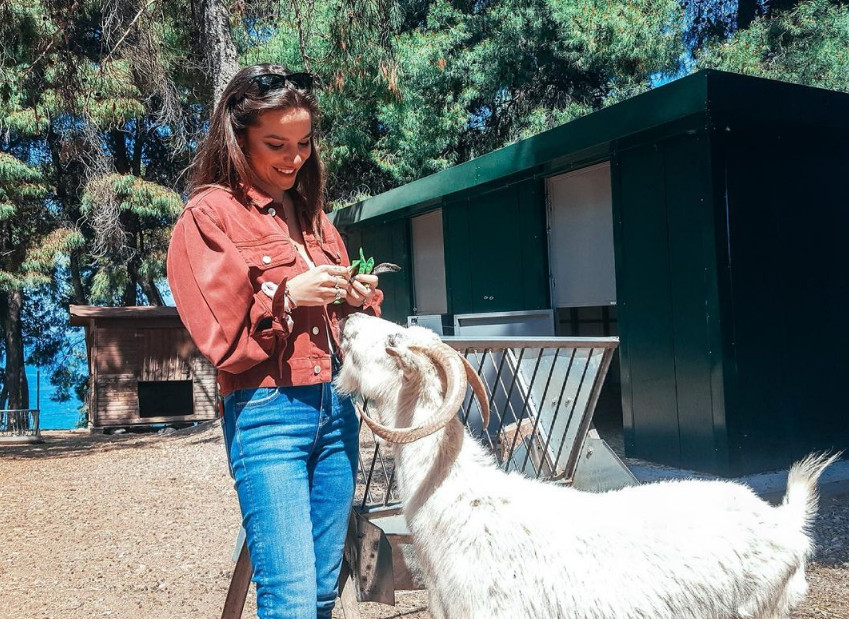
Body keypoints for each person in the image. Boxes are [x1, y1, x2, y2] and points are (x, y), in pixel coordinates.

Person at [167, 63, 382, 619]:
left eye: (304, 143)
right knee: (287, 598)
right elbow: (225, 339)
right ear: (238, 139)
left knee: (319, 594)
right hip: (267, 411)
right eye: (276, 144)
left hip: (336, 410)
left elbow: (333, 309)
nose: (293, 158)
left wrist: (353, 293)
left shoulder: (311, 214)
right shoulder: (208, 215)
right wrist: (288, 296)